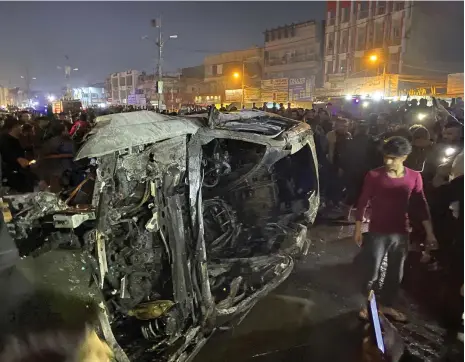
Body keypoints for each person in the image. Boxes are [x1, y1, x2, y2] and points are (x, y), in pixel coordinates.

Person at [354, 136, 437, 322]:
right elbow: (362, 202)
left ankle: (387, 305)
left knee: (395, 272)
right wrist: (358, 228)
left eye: (393, 158)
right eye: (386, 157)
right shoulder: (374, 175)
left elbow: (420, 205)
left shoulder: (415, 177)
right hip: (377, 232)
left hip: (401, 232)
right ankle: (368, 305)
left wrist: (429, 231)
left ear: (405, 157)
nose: (388, 161)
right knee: (371, 272)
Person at [0, 118, 35, 192]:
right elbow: (7, 154)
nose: (21, 128)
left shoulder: (19, 138)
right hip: (12, 173)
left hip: (22, 172)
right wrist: (18, 159)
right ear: (14, 127)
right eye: (20, 126)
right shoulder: (5, 140)